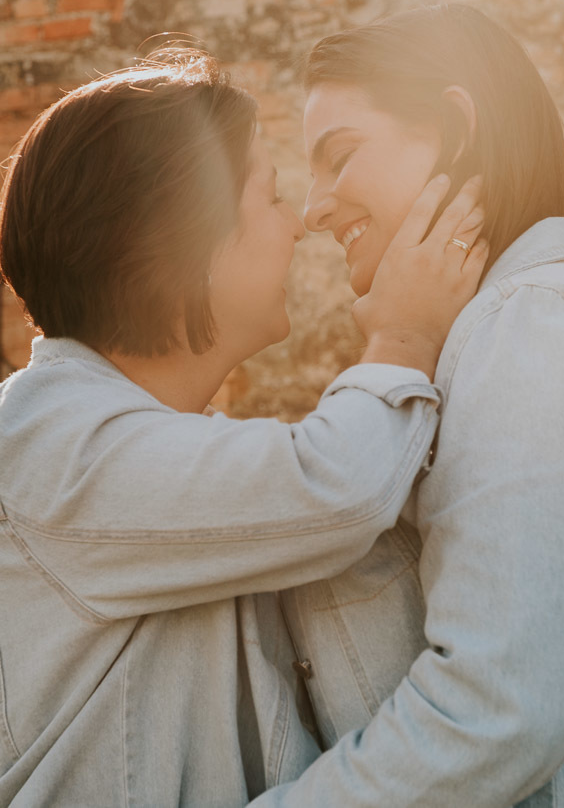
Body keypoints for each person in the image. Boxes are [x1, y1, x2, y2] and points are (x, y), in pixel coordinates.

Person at [0, 48, 486, 806]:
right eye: (271, 197)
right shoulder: (49, 448)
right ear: (185, 243)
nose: (298, 227)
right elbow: (338, 487)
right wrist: (403, 338)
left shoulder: (133, 442)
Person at [251, 4, 564, 807]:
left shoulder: (532, 322)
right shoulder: (484, 339)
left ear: (455, 127)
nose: (314, 208)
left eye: (338, 157)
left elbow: (503, 709)